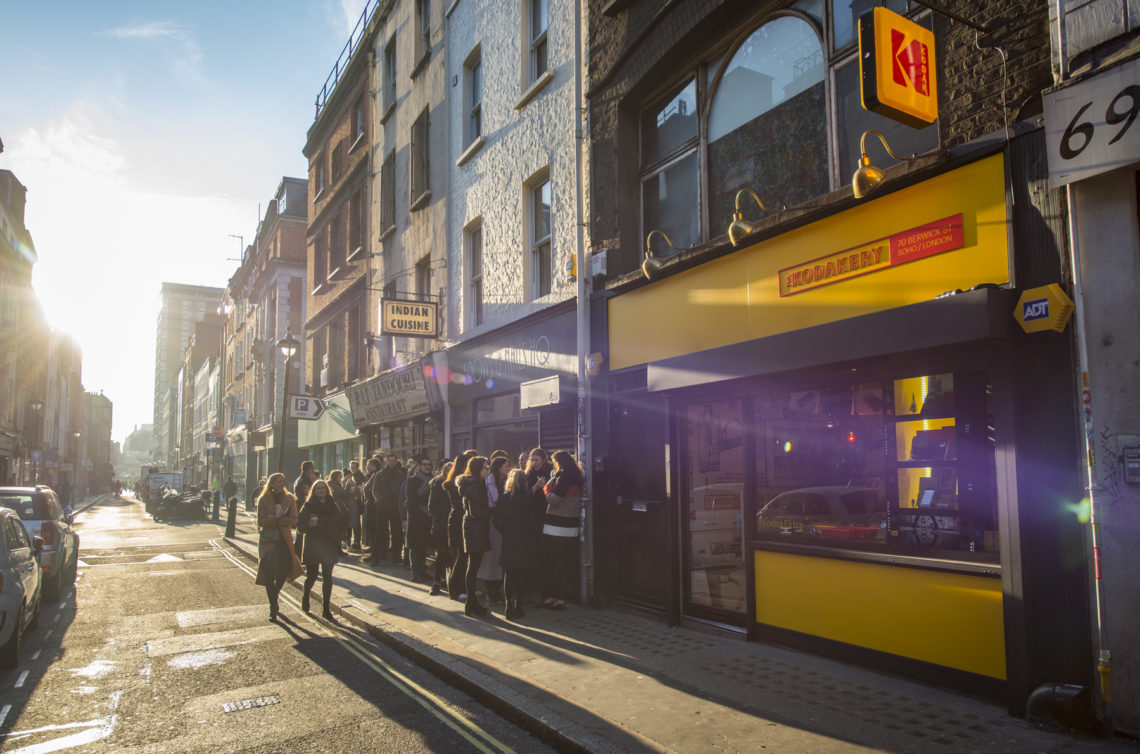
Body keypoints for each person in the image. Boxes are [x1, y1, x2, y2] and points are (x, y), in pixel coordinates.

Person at [255, 473, 304, 621]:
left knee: (283, 573)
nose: (281, 483)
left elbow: (294, 519)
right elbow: (261, 521)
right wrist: (271, 520)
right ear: (272, 483)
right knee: (269, 574)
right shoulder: (263, 500)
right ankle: (272, 608)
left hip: (283, 540)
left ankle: (274, 596)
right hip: (269, 541)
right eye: (278, 481)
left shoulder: (289, 499)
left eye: (283, 481)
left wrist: (281, 519)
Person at [494, 468, 542, 620]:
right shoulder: (528, 499)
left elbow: (496, 520)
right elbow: (534, 520)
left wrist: (504, 531)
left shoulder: (503, 499)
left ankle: (508, 604)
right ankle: (519, 605)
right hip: (525, 539)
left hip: (509, 538)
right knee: (522, 573)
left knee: (509, 573)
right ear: (524, 482)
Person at [540, 451, 584, 610]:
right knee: (563, 563)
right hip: (571, 526)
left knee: (553, 563)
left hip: (556, 526)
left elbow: (554, 500)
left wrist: (546, 488)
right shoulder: (577, 476)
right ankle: (557, 597)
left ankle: (557, 599)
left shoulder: (564, 478)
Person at [297, 478, 343, 619]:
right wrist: (308, 525)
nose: (322, 490)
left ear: (327, 490)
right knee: (312, 575)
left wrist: (339, 538)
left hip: (329, 543)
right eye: (318, 488)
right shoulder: (308, 506)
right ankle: (305, 596)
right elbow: (300, 527)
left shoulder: (333, 505)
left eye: (323, 487)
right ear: (314, 491)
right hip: (313, 544)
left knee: (328, 577)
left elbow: (340, 522)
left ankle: (326, 608)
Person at [459, 456, 492, 617]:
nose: (488, 470)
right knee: (473, 565)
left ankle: (471, 603)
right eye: (485, 467)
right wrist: (493, 509)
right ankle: (471, 602)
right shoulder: (475, 487)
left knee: (473, 565)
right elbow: (477, 512)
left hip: (473, 527)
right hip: (475, 528)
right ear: (478, 469)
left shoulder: (475, 485)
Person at [445, 450, 478, 599]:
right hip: (458, 520)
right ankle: (455, 590)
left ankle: (462, 587)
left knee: (463, 556)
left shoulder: (456, 481)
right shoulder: (457, 483)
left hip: (457, 519)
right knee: (461, 556)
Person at [478, 456, 510, 606]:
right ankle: (490, 589)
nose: (508, 468)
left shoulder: (506, 480)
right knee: (492, 556)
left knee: (499, 555)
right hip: (492, 521)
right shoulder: (490, 481)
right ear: (498, 467)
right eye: (506, 466)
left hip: (502, 521)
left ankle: (496, 588)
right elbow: (496, 501)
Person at [523, 448, 551, 606]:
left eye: (536, 460)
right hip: (532, 518)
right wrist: (535, 488)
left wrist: (546, 486)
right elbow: (524, 495)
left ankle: (542, 591)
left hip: (546, 515)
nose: (534, 463)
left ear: (543, 461)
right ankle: (531, 591)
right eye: (532, 460)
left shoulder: (550, 473)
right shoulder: (528, 475)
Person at [369, 453, 405, 565]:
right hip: (383, 506)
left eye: (394, 460)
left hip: (395, 506)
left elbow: (403, 489)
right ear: (386, 461)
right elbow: (375, 490)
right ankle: (375, 557)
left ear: (397, 461)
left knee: (397, 532)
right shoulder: (380, 474)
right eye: (390, 460)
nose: (392, 463)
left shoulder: (401, 474)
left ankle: (396, 557)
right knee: (379, 532)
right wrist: (379, 501)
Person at [404, 457, 433, 583]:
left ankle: (422, 571)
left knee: (423, 546)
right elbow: (411, 500)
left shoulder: (433, 480)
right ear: (419, 466)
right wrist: (424, 498)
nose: (427, 467)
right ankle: (415, 573)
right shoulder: (412, 481)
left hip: (428, 518)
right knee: (415, 546)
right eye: (425, 464)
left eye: (429, 464)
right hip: (416, 518)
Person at [427, 461, 453, 596]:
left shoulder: (456, 483)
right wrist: (439, 519)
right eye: (447, 469)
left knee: (451, 555)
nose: (449, 471)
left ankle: (448, 580)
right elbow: (432, 506)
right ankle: (436, 581)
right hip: (441, 525)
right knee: (441, 554)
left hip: (453, 524)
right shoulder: (437, 484)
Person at [361, 457, 381, 557]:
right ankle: (373, 548)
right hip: (370, 504)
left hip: (373, 505)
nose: (366, 467)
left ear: (373, 466)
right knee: (371, 527)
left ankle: (375, 551)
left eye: (368, 465)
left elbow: (372, 490)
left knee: (373, 527)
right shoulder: (370, 475)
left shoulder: (376, 475)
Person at [327, 469, 350, 555]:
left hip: (334, 508)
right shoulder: (335, 485)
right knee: (339, 528)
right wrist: (348, 488)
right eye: (340, 476)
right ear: (336, 477)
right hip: (338, 508)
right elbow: (343, 494)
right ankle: (337, 549)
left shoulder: (330, 483)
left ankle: (334, 548)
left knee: (336, 529)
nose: (341, 478)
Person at [342, 467, 362, 550]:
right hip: (348, 506)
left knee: (354, 524)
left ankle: (355, 542)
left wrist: (357, 493)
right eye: (347, 476)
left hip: (354, 505)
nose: (349, 477)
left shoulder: (354, 483)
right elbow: (344, 494)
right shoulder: (344, 483)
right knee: (348, 525)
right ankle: (347, 542)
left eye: (350, 476)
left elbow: (358, 491)